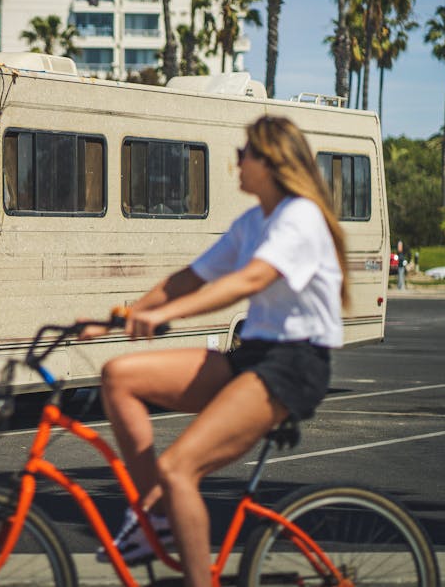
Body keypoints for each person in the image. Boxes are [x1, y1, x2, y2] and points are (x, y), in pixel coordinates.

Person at [80, 115, 349, 587]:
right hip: (254, 355)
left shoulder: (300, 216)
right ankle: (157, 518)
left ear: (271, 161)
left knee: (178, 467)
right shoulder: (253, 221)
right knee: (119, 376)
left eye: (245, 153)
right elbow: (190, 278)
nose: (237, 162)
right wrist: (120, 316)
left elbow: (249, 280)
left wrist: (166, 316)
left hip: (295, 363)